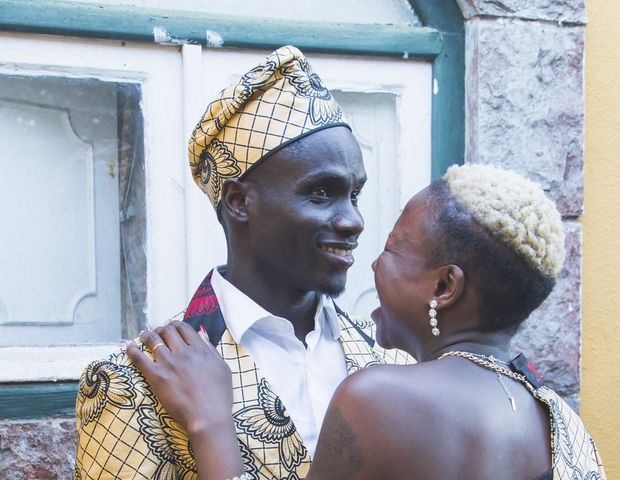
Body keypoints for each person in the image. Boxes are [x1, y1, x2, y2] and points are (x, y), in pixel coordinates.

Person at [127, 164, 607, 480]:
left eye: (394, 248)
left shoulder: (379, 397)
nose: (372, 262)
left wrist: (210, 421)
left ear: (444, 287)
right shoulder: (560, 422)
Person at [74, 45, 410, 480]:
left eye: (355, 195)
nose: (354, 221)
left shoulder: (393, 362)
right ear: (238, 202)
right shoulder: (132, 386)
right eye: (321, 193)